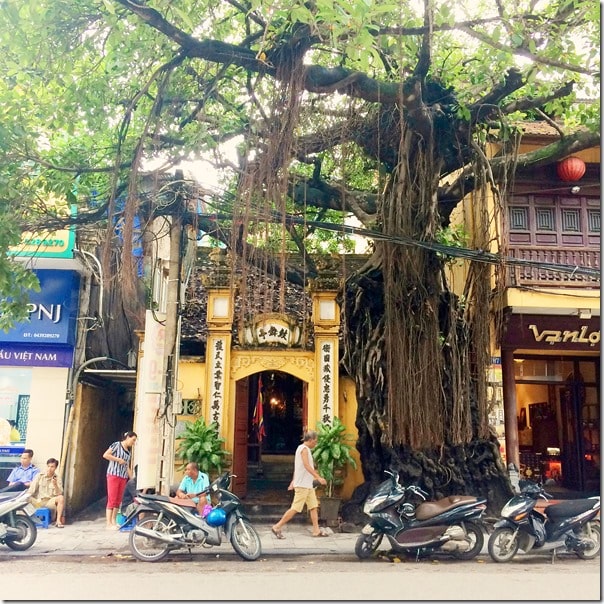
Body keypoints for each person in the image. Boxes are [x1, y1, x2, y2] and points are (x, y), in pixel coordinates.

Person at [271, 430, 327, 539]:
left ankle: (316, 530)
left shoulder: (302, 449)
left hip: (307, 484)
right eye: (315, 441)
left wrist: (293, 481)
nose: (316, 443)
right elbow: (306, 466)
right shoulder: (304, 450)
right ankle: (277, 526)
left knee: (313, 507)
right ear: (310, 440)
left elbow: (298, 468)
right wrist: (318, 477)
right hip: (302, 485)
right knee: (295, 508)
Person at [102, 431, 137, 529]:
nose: (133, 443)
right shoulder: (117, 445)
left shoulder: (128, 452)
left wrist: (132, 479)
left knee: (118, 500)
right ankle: (108, 523)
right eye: (133, 440)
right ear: (128, 437)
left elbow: (127, 467)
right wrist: (118, 460)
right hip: (113, 475)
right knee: (112, 499)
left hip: (123, 477)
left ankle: (114, 520)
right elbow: (105, 455)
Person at [27, 457, 65, 528]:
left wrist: (55, 485)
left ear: (55, 468)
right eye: (48, 466)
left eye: (52, 467)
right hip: (38, 501)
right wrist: (27, 495)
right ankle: (26, 520)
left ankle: (58, 521)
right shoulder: (39, 476)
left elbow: (59, 493)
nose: (49, 468)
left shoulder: (58, 478)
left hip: (49, 502)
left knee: (61, 498)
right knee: (26, 498)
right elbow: (31, 489)